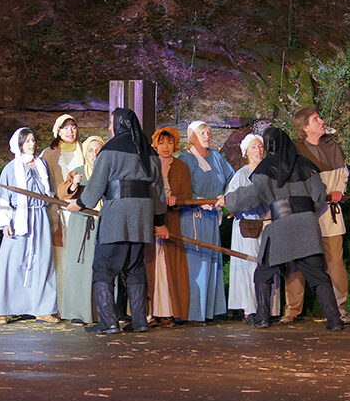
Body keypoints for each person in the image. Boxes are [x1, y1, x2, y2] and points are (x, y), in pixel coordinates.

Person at [218, 127, 343, 331]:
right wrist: (304, 209)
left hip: (281, 225)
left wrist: (228, 200)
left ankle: (262, 318)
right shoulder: (306, 165)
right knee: (317, 273)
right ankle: (334, 319)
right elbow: (320, 196)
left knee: (263, 273)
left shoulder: (266, 168)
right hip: (306, 224)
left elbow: (253, 194)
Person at [67, 108, 168, 334]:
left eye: (112, 123)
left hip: (117, 215)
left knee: (103, 267)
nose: (110, 127)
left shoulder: (110, 150)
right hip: (142, 215)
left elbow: (97, 184)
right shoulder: (147, 150)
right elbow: (158, 190)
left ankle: (108, 322)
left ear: (120, 124)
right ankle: (140, 321)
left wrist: (81, 202)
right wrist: (159, 219)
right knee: (135, 267)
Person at [0, 128, 58, 324]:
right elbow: (3, 197)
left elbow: (49, 192)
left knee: (42, 262)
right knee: (12, 262)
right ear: (19, 144)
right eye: (27, 141)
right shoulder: (11, 168)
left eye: (33, 140)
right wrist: (4, 222)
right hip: (19, 219)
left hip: (40, 218)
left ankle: (42, 308)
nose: (31, 144)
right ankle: (2, 308)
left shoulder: (42, 164)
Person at [283, 108, 349, 324]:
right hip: (303, 215)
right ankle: (292, 309)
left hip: (329, 214)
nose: (321, 121)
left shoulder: (332, 146)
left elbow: (343, 174)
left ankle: (339, 310)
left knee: (335, 262)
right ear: (305, 127)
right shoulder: (295, 151)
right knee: (298, 262)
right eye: (315, 119)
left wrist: (338, 190)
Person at [179, 121, 234, 322]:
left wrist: (226, 197)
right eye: (202, 133)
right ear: (192, 136)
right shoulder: (186, 159)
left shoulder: (216, 157)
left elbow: (232, 178)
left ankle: (210, 311)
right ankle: (193, 312)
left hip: (211, 218)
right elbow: (180, 187)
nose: (207, 136)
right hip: (192, 217)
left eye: (208, 132)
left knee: (211, 261)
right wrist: (197, 200)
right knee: (196, 263)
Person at [225, 134, 280, 322]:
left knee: (268, 265)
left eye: (260, 146)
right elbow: (231, 202)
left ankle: (269, 309)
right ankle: (250, 309)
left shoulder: (270, 173)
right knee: (250, 266)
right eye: (254, 147)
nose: (259, 150)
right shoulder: (241, 176)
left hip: (269, 224)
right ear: (246, 152)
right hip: (248, 226)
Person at [145, 126, 191, 326]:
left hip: (172, 218)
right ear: (155, 144)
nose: (165, 147)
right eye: (162, 143)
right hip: (150, 218)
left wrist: (176, 199)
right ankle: (150, 312)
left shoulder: (181, 167)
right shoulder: (148, 164)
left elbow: (187, 194)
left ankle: (167, 311)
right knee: (151, 264)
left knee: (169, 265)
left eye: (169, 143)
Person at [56, 135, 105, 324]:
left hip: (103, 224)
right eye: (90, 150)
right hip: (82, 225)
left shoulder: (108, 171)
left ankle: (102, 312)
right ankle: (79, 312)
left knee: (102, 268)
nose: (94, 154)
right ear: (85, 153)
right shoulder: (78, 172)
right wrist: (74, 184)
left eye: (98, 150)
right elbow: (62, 193)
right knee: (80, 268)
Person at [40, 114, 85, 302]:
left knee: (80, 254)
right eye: (65, 127)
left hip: (82, 209)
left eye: (73, 126)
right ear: (57, 131)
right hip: (58, 212)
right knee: (61, 257)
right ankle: (60, 303)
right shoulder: (48, 154)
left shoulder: (84, 149)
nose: (70, 131)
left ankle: (79, 302)